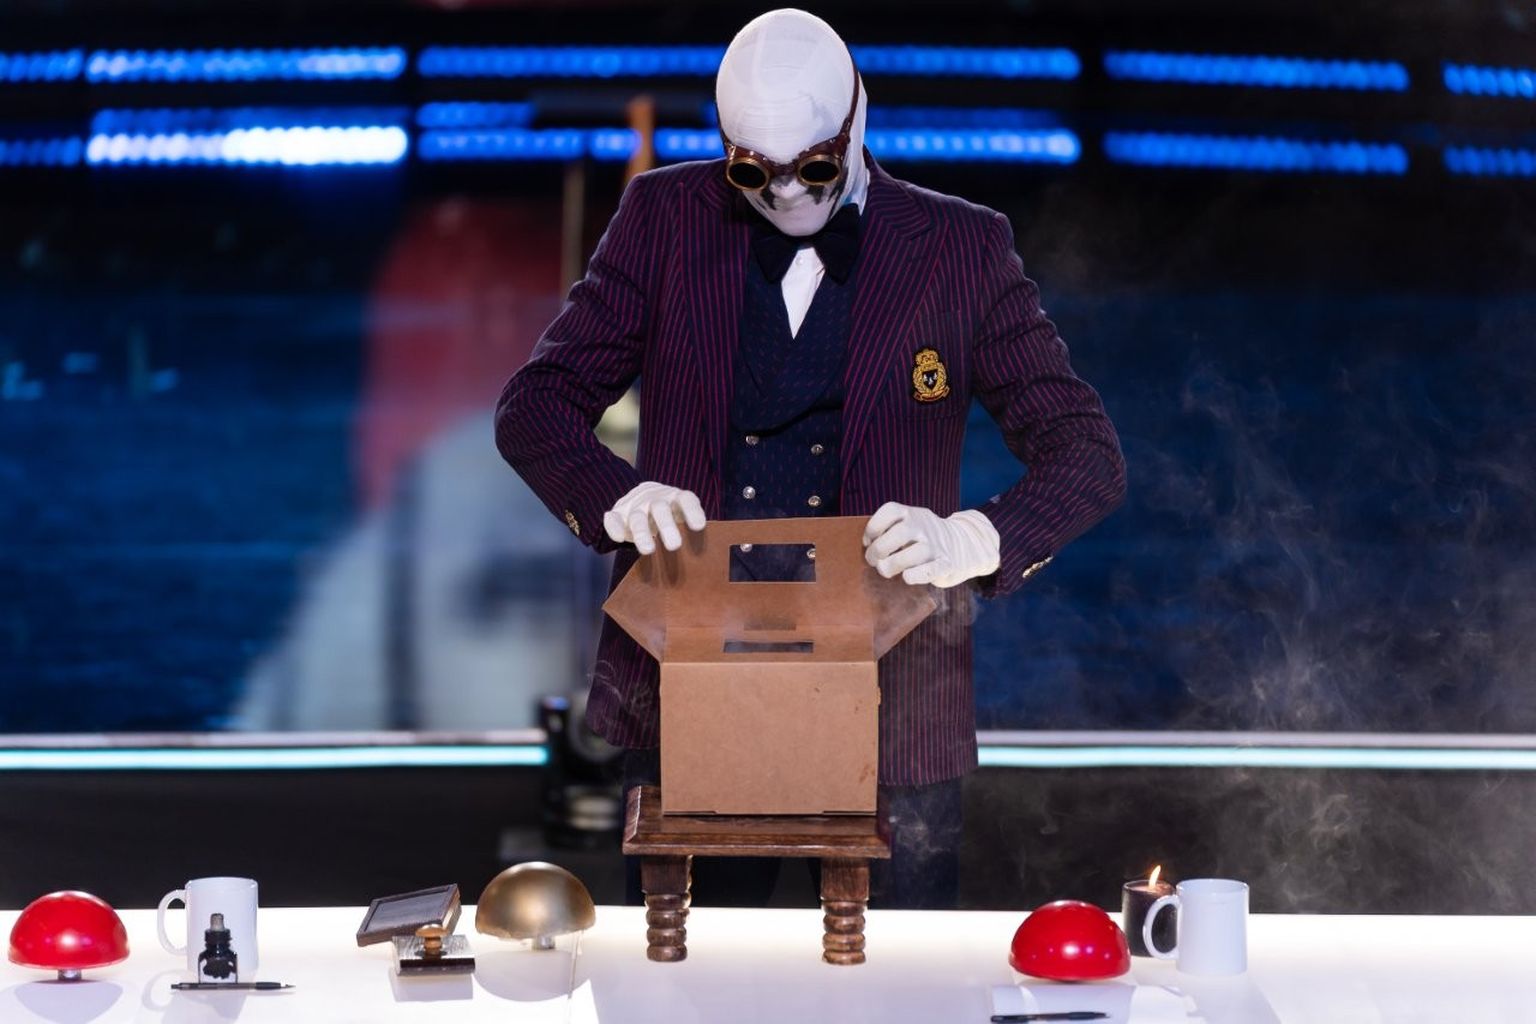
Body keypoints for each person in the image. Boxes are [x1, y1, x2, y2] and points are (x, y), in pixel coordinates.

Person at [495, 8, 1125, 908]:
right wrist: (616, 497)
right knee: (691, 970)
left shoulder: (961, 247)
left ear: (857, 123)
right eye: (754, 172)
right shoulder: (662, 219)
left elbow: (1085, 452)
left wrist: (972, 538)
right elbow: (535, 406)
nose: (786, 195)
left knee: (898, 974)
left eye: (814, 168)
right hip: (692, 678)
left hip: (894, 700)